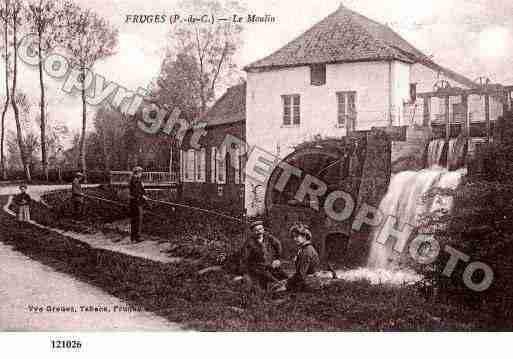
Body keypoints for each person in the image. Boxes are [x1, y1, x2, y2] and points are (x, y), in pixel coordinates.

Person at [241, 220, 288, 290]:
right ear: (253, 232)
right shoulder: (249, 243)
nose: (259, 232)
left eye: (260, 229)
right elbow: (244, 257)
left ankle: (287, 285)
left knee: (283, 275)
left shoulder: (268, 237)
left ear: (263, 229)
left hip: (270, 264)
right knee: (269, 278)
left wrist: (277, 259)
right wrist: (244, 271)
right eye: (256, 230)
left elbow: (278, 244)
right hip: (258, 267)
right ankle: (277, 285)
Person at [285, 223, 321, 292]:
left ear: (304, 236)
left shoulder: (306, 251)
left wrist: (287, 283)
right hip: (310, 281)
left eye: (297, 236)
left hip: (309, 284)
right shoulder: (305, 248)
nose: (294, 239)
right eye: (293, 237)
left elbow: (301, 275)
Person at [129, 166, 148, 243]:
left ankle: (133, 237)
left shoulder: (133, 180)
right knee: (138, 219)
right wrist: (143, 196)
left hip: (133, 202)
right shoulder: (136, 180)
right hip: (137, 202)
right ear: (138, 173)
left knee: (134, 220)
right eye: (141, 173)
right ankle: (137, 237)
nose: (141, 174)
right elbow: (137, 192)